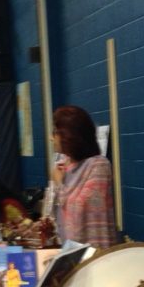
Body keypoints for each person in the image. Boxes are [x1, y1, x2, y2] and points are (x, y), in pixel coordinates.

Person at [52, 105, 117, 248]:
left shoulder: (99, 165)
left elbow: (80, 207)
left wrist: (59, 184)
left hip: (95, 254)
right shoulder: (65, 166)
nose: (52, 138)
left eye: (56, 132)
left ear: (69, 135)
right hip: (70, 253)